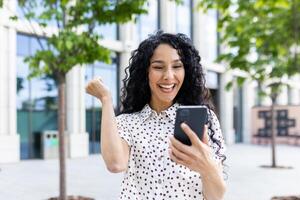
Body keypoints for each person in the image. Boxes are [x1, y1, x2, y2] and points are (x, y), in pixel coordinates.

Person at [86, 31, 226, 200]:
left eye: (177, 66)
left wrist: (206, 167)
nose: (168, 76)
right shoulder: (128, 122)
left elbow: (216, 196)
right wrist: (106, 99)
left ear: (186, 70)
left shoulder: (205, 120)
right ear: (146, 73)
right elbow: (115, 164)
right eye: (158, 67)